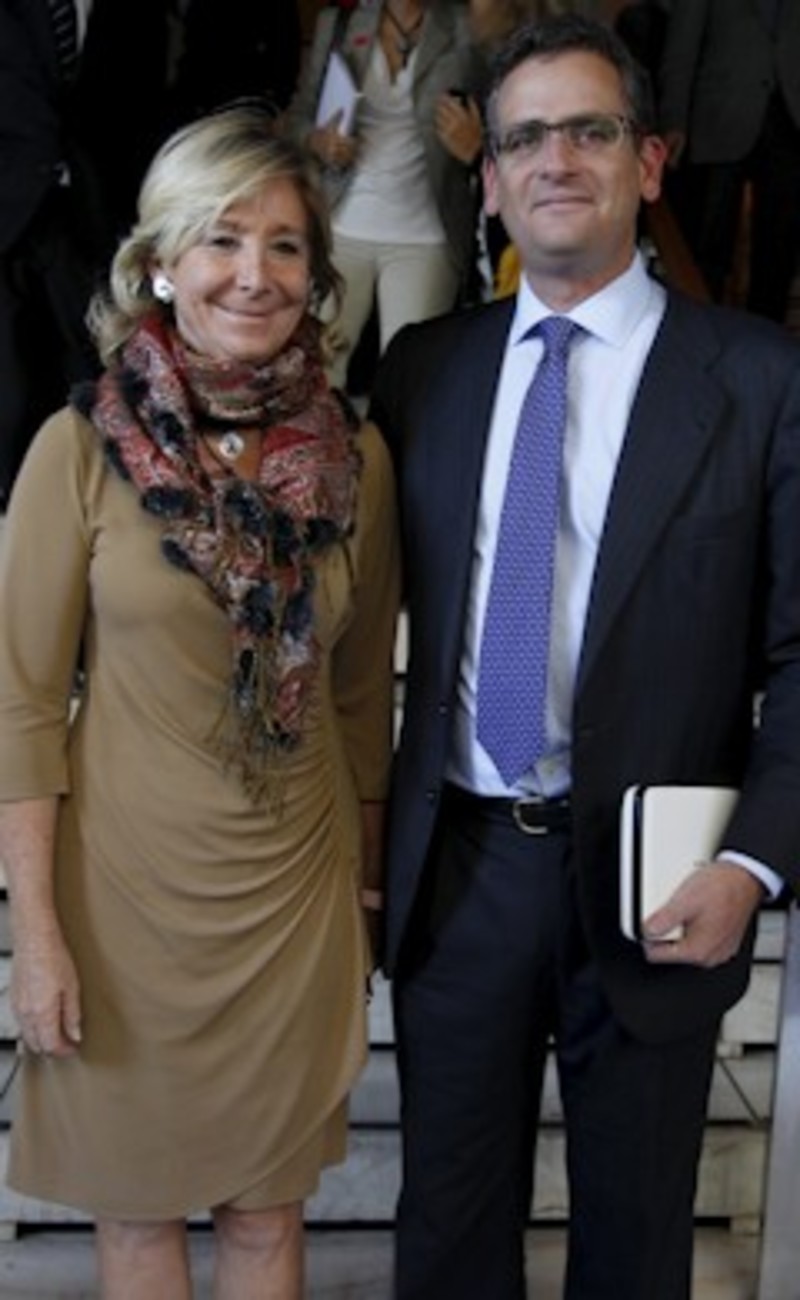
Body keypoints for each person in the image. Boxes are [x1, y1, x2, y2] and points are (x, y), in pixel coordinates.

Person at [369, 14, 800, 1299]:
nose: (554, 159)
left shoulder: (759, 379)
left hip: (662, 876)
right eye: (522, 139)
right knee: (446, 1234)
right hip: (461, 872)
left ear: (649, 161)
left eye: (589, 130)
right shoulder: (420, 373)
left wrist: (750, 863)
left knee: (634, 1240)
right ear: (489, 180)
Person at [0, 105, 398, 1299]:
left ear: (315, 273)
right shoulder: (77, 449)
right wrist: (37, 938)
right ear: (162, 261)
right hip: (122, 901)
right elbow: (21, 707)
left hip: (294, 894)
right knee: (136, 1223)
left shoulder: (357, 460)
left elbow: (357, 698)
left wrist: (364, 890)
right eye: (222, 238)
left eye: (284, 244)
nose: (253, 273)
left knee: (270, 1220)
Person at [0, 0, 172, 511]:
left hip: (89, 213)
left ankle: (77, 492)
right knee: (8, 370)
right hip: (8, 207)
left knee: (90, 361)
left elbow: (143, 110)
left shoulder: (135, 11)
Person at [287, 0, 484, 391]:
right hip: (342, 225)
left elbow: (501, 113)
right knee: (318, 372)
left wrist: (476, 146)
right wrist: (317, 140)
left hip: (426, 234)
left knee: (410, 382)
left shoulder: (466, 25)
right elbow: (297, 118)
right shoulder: (339, 24)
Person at [658, 0, 800, 323]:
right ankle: (701, 336)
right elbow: (681, 46)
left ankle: (766, 343)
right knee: (709, 245)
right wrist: (673, 120)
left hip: (788, 120)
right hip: (719, 119)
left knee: (778, 253)